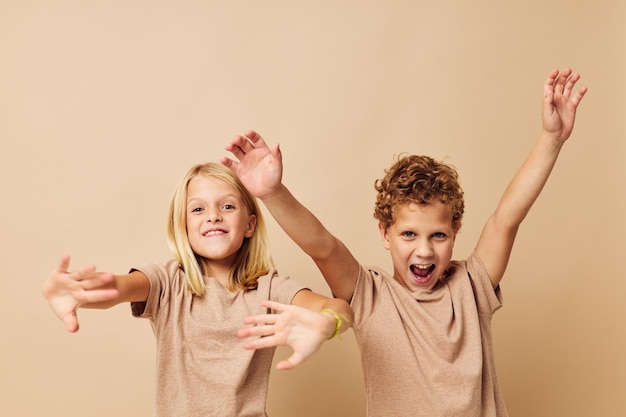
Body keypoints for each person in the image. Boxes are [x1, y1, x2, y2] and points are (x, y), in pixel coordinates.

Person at [220, 68, 587, 416]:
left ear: (455, 232)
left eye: (438, 235)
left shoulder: (472, 286)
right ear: (385, 233)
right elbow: (324, 247)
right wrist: (273, 192)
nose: (425, 250)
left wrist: (551, 138)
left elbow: (506, 217)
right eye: (409, 234)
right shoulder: (370, 295)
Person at [42, 162, 353, 417]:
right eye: (198, 210)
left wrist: (328, 323)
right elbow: (117, 287)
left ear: (249, 225)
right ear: (183, 227)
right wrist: (78, 290)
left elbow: (341, 308)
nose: (213, 215)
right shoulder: (167, 282)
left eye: (227, 206)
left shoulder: (270, 289)